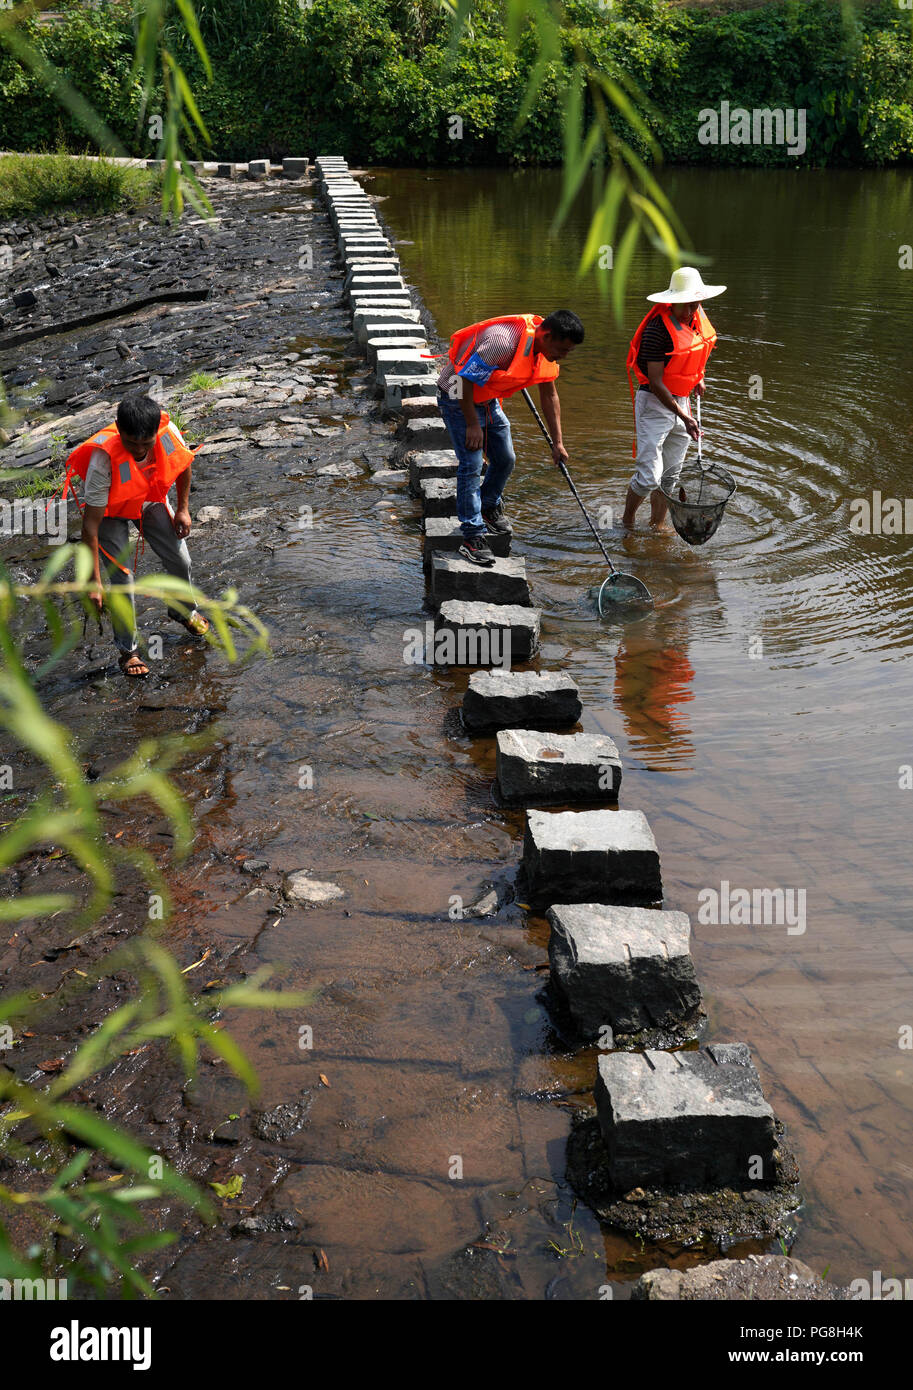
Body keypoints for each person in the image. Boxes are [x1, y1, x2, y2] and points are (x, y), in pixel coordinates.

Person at [63, 394, 209, 678]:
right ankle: (128, 651)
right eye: (132, 443)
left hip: (147, 498)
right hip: (109, 512)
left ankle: (182, 610)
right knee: (122, 579)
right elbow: (90, 526)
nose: (139, 450)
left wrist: (183, 509)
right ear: (119, 430)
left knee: (181, 559)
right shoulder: (102, 461)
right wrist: (93, 581)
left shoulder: (167, 434)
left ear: (156, 432)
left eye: (146, 443)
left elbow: (183, 465)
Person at [437, 309, 584, 566]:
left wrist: (558, 442)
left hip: (488, 400)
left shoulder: (545, 350)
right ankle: (472, 537)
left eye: (568, 352)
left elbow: (550, 395)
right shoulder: (501, 344)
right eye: (563, 350)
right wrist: (472, 425)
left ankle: (487, 506)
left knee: (505, 459)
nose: (564, 356)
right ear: (547, 335)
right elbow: (463, 382)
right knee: (471, 466)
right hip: (458, 398)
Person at [623, 267, 725, 530]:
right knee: (647, 479)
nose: (692, 311)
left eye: (696, 304)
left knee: (669, 478)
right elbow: (656, 383)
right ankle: (627, 523)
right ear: (673, 301)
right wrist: (685, 418)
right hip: (655, 404)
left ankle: (657, 526)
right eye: (687, 305)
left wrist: (698, 377)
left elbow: (693, 354)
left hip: (683, 402)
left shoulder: (695, 317)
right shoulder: (657, 330)